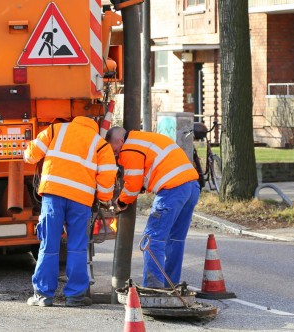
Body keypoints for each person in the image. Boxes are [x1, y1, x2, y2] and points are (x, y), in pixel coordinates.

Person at [23, 116, 117, 307]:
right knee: (77, 246)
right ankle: (75, 296)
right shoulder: (100, 144)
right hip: (80, 199)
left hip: (53, 194)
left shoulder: (55, 130)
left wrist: (27, 151)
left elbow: (31, 155)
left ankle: (43, 295)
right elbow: (107, 178)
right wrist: (104, 199)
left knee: (49, 244)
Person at [105, 126, 200, 289]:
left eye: (114, 150)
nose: (115, 154)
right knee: (175, 239)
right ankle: (171, 284)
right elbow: (150, 171)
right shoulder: (146, 138)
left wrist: (120, 203)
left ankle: (153, 287)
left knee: (152, 238)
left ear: (120, 141)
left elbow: (132, 185)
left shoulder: (129, 148)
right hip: (191, 187)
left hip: (172, 190)